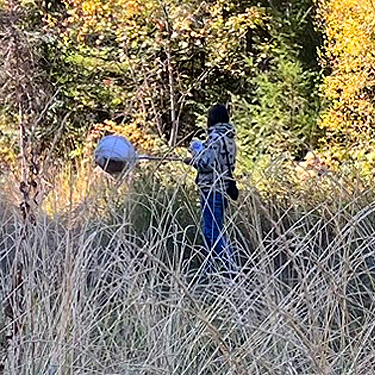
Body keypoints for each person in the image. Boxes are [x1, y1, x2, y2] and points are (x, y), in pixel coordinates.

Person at [184, 104, 237, 276]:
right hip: (223, 188)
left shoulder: (214, 137)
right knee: (216, 229)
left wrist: (194, 153)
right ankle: (214, 269)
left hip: (211, 188)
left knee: (211, 231)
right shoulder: (229, 138)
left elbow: (205, 164)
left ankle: (230, 270)